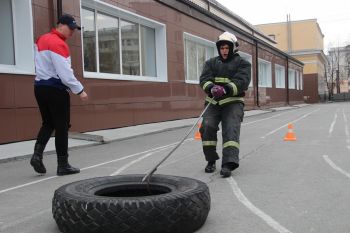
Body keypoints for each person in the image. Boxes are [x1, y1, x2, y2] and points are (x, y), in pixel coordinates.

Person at [30, 14, 88, 176]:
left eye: (74, 29)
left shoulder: (41, 40)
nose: (72, 32)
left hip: (40, 87)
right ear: (60, 25)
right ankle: (63, 165)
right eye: (70, 28)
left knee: (48, 123)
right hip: (55, 89)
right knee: (62, 127)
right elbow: (65, 73)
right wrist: (80, 90)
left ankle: (37, 155)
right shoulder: (58, 43)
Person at [199, 31, 251, 177]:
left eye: (227, 48)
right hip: (213, 102)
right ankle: (211, 160)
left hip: (233, 102)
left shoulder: (243, 64)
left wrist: (226, 89)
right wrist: (211, 88)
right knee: (207, 127)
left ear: (233, 48)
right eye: (222, 48)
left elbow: (242, 82)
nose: (224, 51)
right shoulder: (210, 63)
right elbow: (204, 79)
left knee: (231, 128)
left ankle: (228, 164)